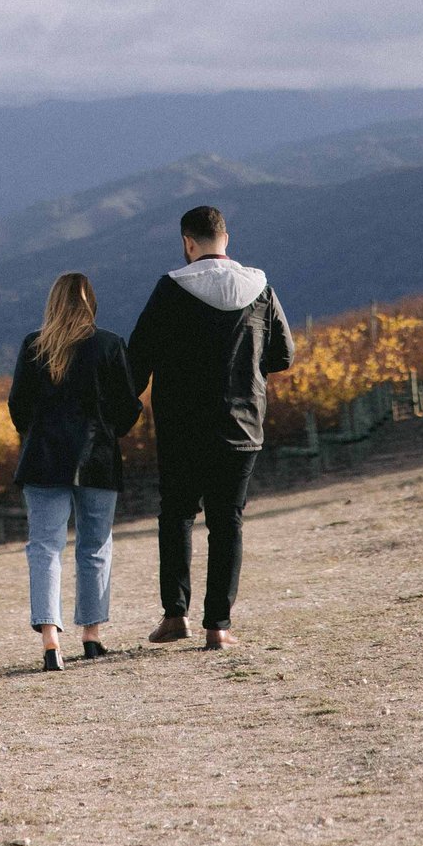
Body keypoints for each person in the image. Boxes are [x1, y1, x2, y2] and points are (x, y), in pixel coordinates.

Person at [128, 205, 293, 651]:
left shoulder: (171, 287)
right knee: (227, 521)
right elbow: (283, 356)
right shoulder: (260, 287)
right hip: (242, 423)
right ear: (227, 238)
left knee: (177, 514)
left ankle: (174, 615)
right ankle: (218, 625)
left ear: (187, 243)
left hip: (182, 426)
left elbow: (138, 357)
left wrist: (120, 411)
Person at [8, 271, 143, 671]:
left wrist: (38, 434)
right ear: (91, 303)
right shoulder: (109, 345)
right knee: (94, 547)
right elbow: (129, 406)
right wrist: (107, 432)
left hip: (44, 459)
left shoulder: (34, 346)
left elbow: (18, 406)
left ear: (52, 303)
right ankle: (91, 636)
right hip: (97, 458)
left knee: (45, 548)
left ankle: (51, 640)